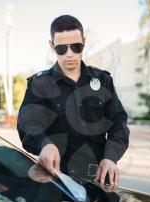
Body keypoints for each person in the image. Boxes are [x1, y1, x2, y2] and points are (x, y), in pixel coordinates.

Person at [17, 15, 129, 185]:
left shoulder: (103, 80)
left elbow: (119, 122)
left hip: (98, 180)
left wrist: (111, 157)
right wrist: (45, 144)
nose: (69, 54)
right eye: (62, 48)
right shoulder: (40, 84)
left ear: (84, 41)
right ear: (51, 45)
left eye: (76, 47)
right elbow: (28, 124)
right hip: (56, 180)